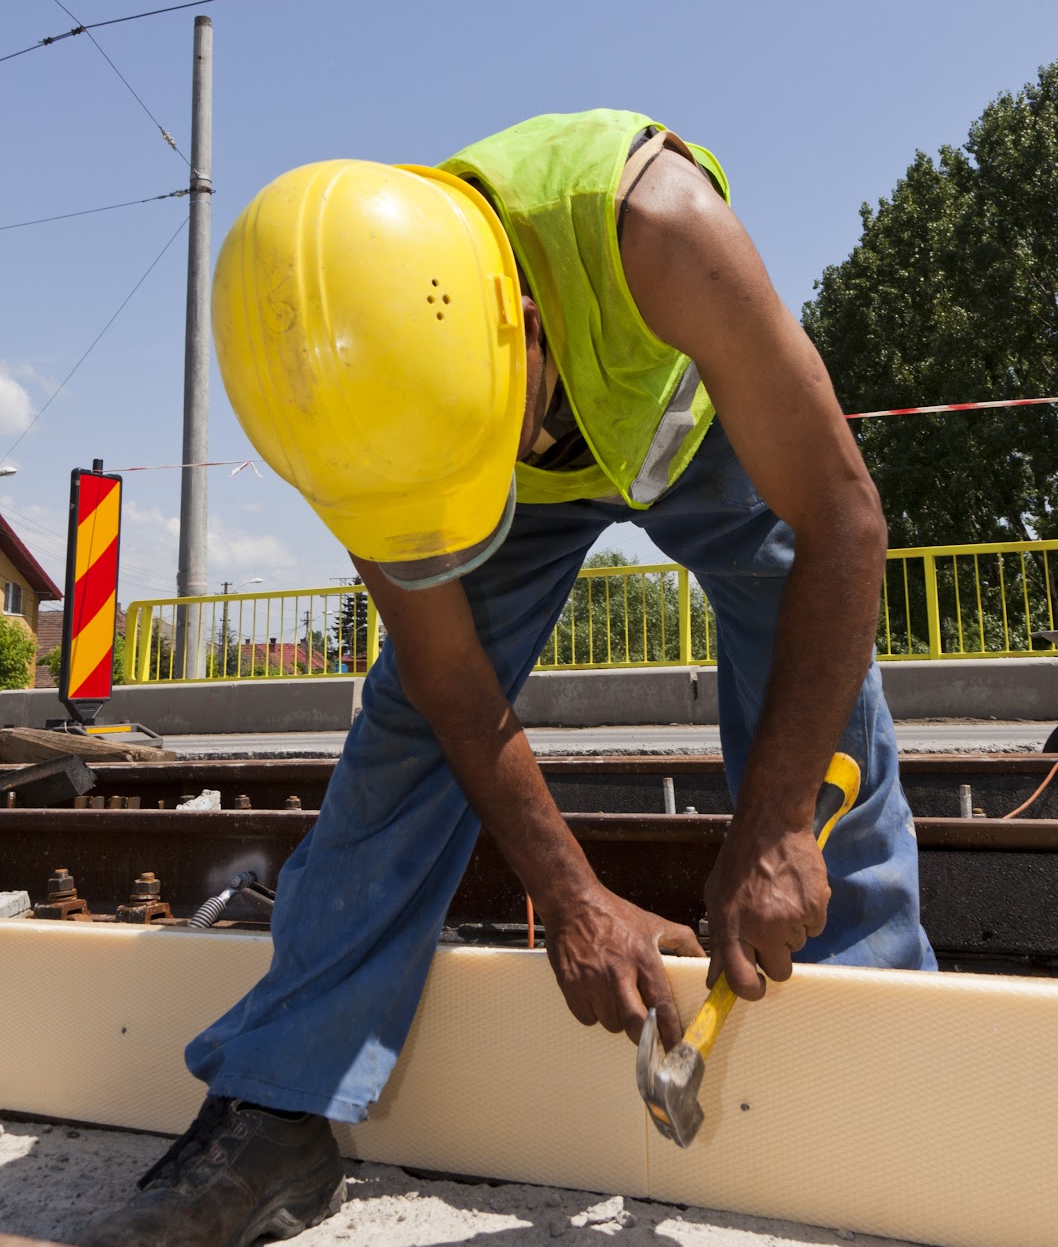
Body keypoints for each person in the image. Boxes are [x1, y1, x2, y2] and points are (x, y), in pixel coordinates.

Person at [87, 109, 934, 1247]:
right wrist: (571, 895)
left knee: (820, 681)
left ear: (521, 324)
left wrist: (779, 819)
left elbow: (843, 519)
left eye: (494, 431)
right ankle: (277, 1105)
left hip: (696, 441)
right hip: (499, 458)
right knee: (400, 735)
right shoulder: (338, 386)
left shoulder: (660, 228)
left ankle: (888, 1062)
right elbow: (447, 680)